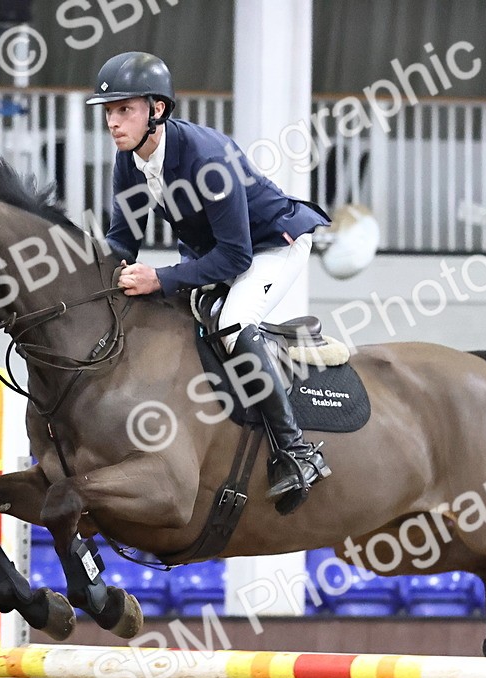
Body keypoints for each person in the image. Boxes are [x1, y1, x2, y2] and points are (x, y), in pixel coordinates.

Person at [87, 51, 332, 510]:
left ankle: (297, 452)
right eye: (108, 112)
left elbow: (237, 256)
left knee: (233, 323)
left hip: (271, 245)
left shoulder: (205, 158)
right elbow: (122, 242)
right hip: (214, 250)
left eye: (124, 110)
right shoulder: (128, 161)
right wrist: (84, 276)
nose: (113, 123)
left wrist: (161, 278)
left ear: (157, 110)